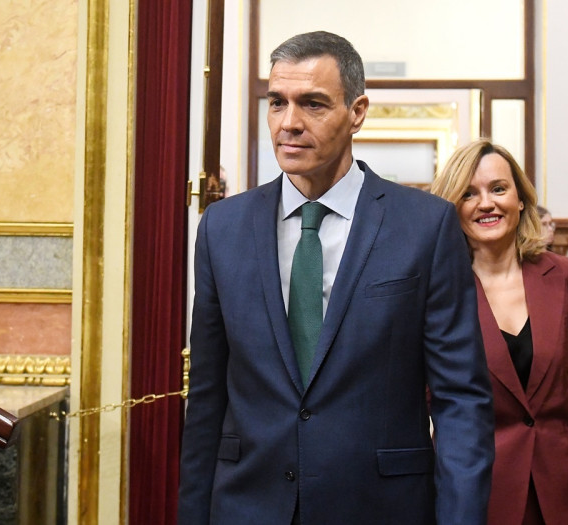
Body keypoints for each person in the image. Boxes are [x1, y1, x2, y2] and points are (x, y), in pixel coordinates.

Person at [178, 31, 494, 525]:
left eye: (313, 104)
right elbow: (207, 400)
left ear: (358, 112)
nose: (289, 123)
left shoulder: (425, 227)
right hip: (248, 507)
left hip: (381, 509)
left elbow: (461, 402)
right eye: (277, 102)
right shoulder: (223, 228)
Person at [430, 139, 568, 525]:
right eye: (468, 194)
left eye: (498, 189)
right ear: (452, 210)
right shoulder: (438, 290)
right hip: (481, 495)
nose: (485, 203)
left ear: (520, 200)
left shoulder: (564, 276)